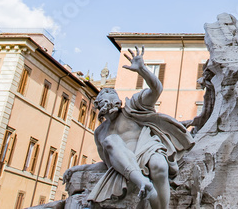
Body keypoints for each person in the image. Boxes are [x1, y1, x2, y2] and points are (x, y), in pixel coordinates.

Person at [66, 47, 193, 209]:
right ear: (99, 107)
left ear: (118, 101)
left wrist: (143, 70)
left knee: (159, 165)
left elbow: (157, 90)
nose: (109, 104)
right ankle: (143, 183)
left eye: (112, 100)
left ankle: (153, 196)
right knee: (111, 140)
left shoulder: (133, 107)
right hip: (128, 166)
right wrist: (79, 168)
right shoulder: (101, 132)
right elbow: (107, 162)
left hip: (149, 150)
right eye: (104, 102)